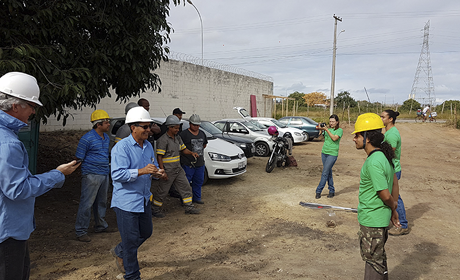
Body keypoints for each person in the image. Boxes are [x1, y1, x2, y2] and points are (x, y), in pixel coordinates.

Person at [0, 72, 79, 280]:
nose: (33, 112)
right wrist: (57, 174)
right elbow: (17, 189)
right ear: (15, 106)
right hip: (8, 232)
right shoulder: (8, 143)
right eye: (31, 106)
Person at [110, 106, 165, 279]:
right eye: (145, 127)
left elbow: (151, 167)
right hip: (126, 202)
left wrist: (157, 173)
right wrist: (141, 171)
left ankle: (120, 250)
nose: (149, 130)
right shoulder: (121, 148)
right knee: (131, 242)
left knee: (146, 232)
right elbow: (117, 174)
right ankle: (132, 276)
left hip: (143, 200)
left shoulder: (148, 146)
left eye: (149, 126)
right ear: (133, 127)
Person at [352, 113, 400, 280]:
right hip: (380, 218)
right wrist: (393, 210)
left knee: (373, 262)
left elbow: (385, 194)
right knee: (379, 259)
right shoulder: (384, 156)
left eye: (357, 135)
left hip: (372, 220)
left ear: (367, 137)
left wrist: (393, 205)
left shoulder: (373, 161)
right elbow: (394, 183)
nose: (354, 139)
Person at [74, 109, 112, 242]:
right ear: (98, 124)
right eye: (106, 122)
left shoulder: (106, 138)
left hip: (104, 173)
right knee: (87, 203)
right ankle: (81, 230)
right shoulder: (87, 139)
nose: (109, 124)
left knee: (101, 202)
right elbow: (79, 158)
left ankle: (100, 225)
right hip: (91, 175)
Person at [152, 115, 200, 218]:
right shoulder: (163, 140)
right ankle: (155, 209)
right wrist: (162, 171)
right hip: (168, 170)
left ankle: (189, 207)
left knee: (186, 187)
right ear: (170, 127)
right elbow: (159, 157)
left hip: (178, 169)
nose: (178, 130)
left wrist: (191, 153)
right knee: (162, 191)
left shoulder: (177, 138)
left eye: (178, 128)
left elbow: (183, 149)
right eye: (176, 128)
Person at [381, 110, 409, 236]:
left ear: (390, 119)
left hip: (392, 169)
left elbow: (388, 152)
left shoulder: (392, 134)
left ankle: (402, 224)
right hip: (390, 168)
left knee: (396, 197)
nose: (381, 118)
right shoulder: (388, 132)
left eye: (383, 117)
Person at [180, 114, 208, 204]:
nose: (196, 127)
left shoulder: (202, 133)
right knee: (186, 183)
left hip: (199, 163)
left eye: (198, 125)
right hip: (188, 164)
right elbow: (180, 148)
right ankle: (185, 200)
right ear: (190, 124)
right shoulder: (184, 134)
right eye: (194, 125)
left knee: (198, 181)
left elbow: (204, 144)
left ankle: (197, 198)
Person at [315, 114, 343, 199]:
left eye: (333, 122)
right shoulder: (327, 129)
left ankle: (318, 191)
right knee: (328, 172)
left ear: (337, 122)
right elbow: (319, 138)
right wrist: (320, 130)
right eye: (330, 121)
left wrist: (326, 130)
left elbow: (334, 138)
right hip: (324, 153)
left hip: (332, 154)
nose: (331, 123)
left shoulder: (339, 130)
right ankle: (331, 190)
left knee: (324, 172)